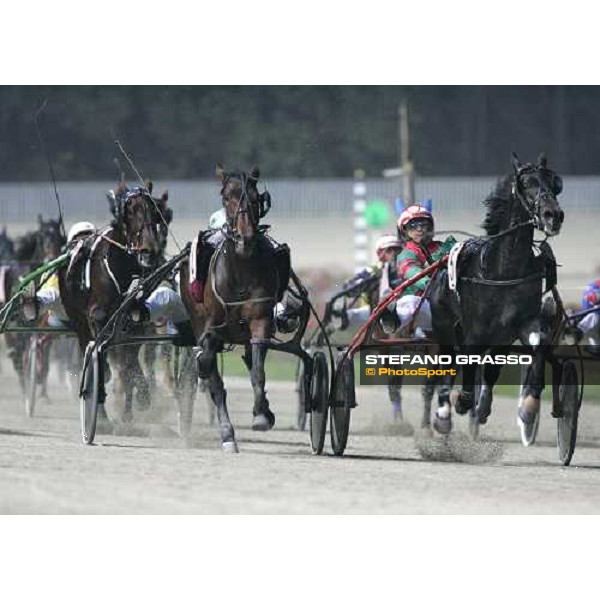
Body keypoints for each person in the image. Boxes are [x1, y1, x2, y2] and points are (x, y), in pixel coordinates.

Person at [391, 205, 456, 336]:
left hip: (453, 305)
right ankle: (393, 322)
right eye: (413, 226)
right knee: (410, 302)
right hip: (427, 307)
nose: (419, 229)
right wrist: (431, 284)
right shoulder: (406, 254)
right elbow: (413, 273)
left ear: (430, 227)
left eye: (423, 225)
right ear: (404, 231)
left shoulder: (444, 247)